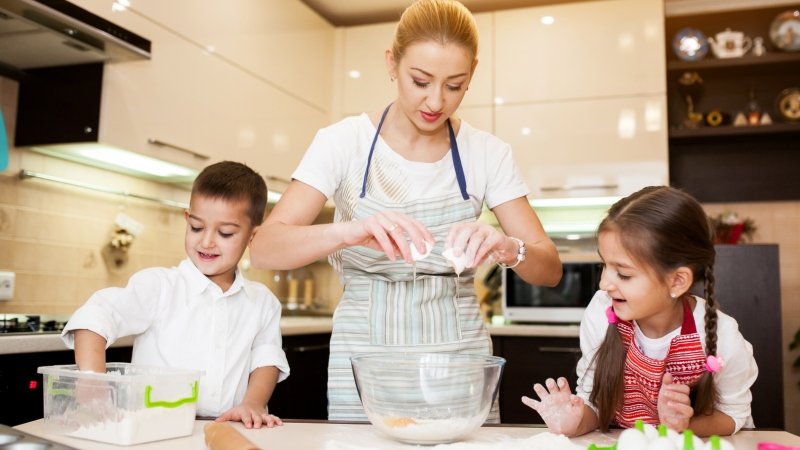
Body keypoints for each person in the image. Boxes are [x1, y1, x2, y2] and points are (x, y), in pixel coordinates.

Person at [249, 0, 561, 421]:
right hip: (364, 365)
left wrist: (508, 247)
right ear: (392, 63)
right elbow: (266, 248)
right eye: (421, 80)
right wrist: (350, 231)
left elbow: (549, 269)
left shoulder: (487, 154)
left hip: (459, 367)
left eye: (455, 85)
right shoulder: (343, 143)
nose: (435, 101)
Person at [61, 161, 290, 429]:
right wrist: (92, 381)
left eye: (225, 233)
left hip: (229, 432)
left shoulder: (262, 302)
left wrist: (252, 403)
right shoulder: (159, 286)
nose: (206, 242)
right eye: (196, 227)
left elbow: (266, 360)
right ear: (187, 219)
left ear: (253, 235)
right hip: (153, 432)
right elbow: (96, 316)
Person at [522, 186, 758, 437]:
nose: (604, 284)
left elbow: (733, 415)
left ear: (677, 281)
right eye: (604, 265)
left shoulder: (722, 336)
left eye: (623, 274)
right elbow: (594, 403)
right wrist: (575, 422)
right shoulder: (601, 311)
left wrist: (681, 427)